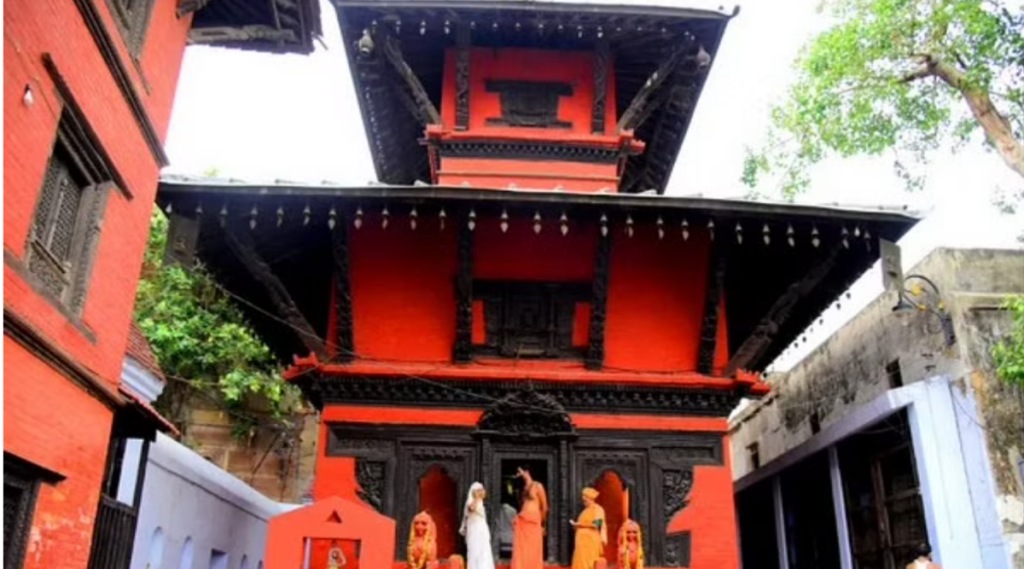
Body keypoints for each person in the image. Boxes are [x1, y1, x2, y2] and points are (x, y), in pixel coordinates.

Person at [511, 467, 547, 569]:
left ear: (527, 472)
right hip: (523, 521)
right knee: (522, 548)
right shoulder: (524, 488)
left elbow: (544, 507)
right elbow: (523, 506)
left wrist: (542, 524)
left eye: (521, 471)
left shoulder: (538, 486)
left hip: (534, 522)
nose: (520, 473)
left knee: (533, 548)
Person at [460, 482, 496, 569]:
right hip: (474, 531)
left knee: (484, 552)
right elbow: (471, 509)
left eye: (481, 490)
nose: (481, 492)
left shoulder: (481, 503)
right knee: (474, 551)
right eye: (478, 490)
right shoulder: (470, 501)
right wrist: (476, 498)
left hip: (482, 530)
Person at [570, 487, 606, 569]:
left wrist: (580, 524)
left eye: (586, 499)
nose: (584, 502)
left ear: (591, 499)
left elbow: (597, 524)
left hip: (591, 541)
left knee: (589, 562)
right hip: (581, 542)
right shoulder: (584, 511)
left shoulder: (598, 509)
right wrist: (576, 526)